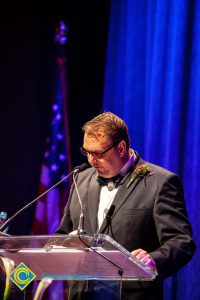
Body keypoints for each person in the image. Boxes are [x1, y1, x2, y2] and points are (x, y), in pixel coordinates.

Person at [56, 112, 195, 300]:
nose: (91, 160)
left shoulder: (160, 182)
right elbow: (63, 234)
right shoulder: (81, 179)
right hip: (82, 294)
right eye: (86, 152)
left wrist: (153, 259)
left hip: (132, 294)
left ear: (121, 148)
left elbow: (181, 241)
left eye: (98, 153)